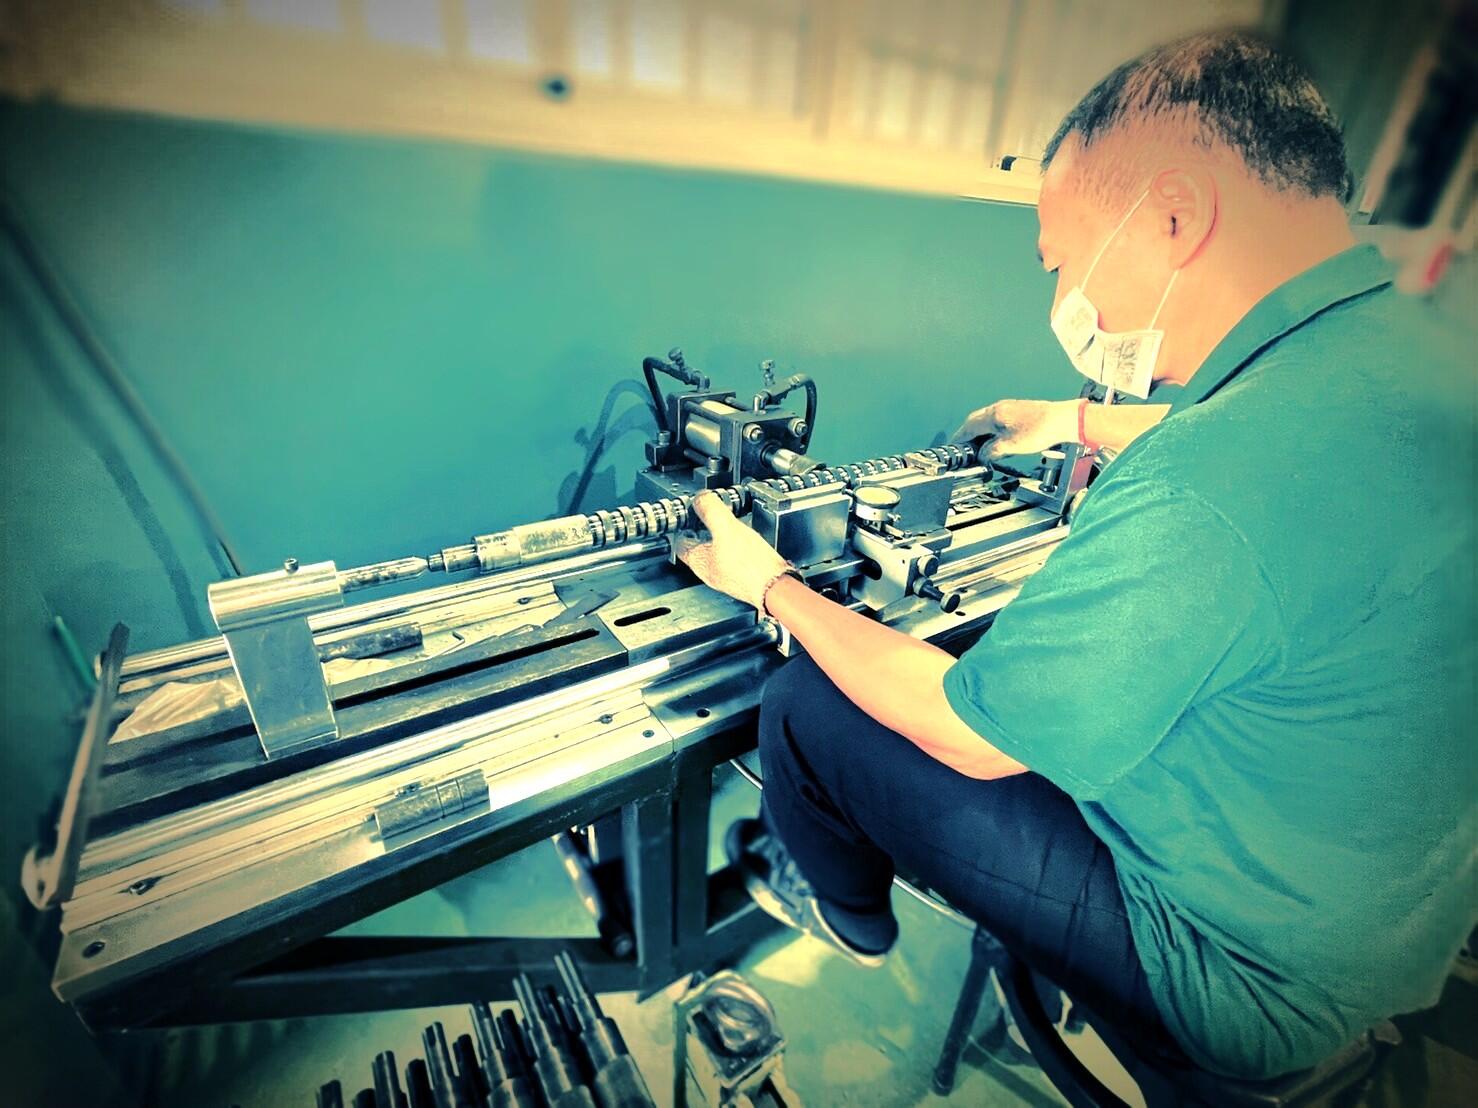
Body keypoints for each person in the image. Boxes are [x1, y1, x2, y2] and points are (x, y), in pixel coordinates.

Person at [674, 30, 1476, 1082]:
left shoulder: (1206, 484)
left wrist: (770, 584)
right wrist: (1075, 419)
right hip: (1392, 917)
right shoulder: (1420, 354)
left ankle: (848, 916)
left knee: (803, 704)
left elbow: (971, 735)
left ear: (1175, 216)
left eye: (1063, 262)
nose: (1070, 302)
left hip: (1236, 968)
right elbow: (1290, 431)